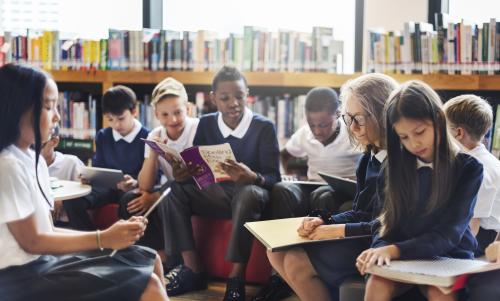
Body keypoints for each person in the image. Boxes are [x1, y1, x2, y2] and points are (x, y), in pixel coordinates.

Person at [0, 63, 168, 301]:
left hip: (44, 263)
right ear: (19, 110)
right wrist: (103, 238)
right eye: (49, 107)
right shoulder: (7, 166)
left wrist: (106, 237)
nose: (57, 116)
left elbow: (47, 231)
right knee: (148, 286)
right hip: (19, 278)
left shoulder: (33, 159)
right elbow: (32, 241)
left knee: (150, 259)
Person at [265, 73, 398, 301]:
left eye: (358, 119)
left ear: (380, 115)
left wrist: (336, 230)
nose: (353, 128)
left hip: (382, 243)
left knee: (296, 262)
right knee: (275, 251)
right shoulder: (369, 157)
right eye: (348, 119)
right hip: (363, 234)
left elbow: (389, 226)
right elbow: (359, 211)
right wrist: (324, 221)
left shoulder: (398, 162)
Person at [160, 66, 280, 301]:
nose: (233, 103)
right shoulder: (206, 124)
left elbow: (274, 177)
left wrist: (252, 176)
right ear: (213, 98)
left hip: (251, 197)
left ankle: (237, 277)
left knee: (248, 193)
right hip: (217, 194)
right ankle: (192, 268)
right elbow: (200, 171)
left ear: (248, 94)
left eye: (239, 96)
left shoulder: (263, 127)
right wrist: (186, 174)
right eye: (225, 98)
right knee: (173, 190)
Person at [357, 81, 483, 301]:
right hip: (404, 258)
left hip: (449, 258)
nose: (414, 143)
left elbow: (449, 234)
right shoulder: (392, 167)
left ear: (438, 119)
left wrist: (394, 250)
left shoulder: (468, 168)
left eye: (419, 132)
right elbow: (382, 222)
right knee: (377, 284)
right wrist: (378, 250)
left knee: (439, 293)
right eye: (404, 137)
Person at [120, 77, 199, 261]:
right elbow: (145, 185)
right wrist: (155, 152)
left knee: (167, 197)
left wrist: (156, 196)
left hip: (194, 190)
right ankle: (158, 257)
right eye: (164, 115)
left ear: (187, 109)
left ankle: (175, 260)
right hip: (170, 189)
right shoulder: (155, 134)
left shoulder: (198, 128)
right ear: (156, 114)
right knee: (130, 201)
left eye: (178, 112)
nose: (172, 120)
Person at [63, 85, 149, 230]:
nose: (116, 124)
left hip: (131, 189)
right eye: (110, 119)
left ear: (134, 111)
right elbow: (99, 167)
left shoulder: (147, 137)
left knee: (130, 200)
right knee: (72, 199)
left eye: (121, 118)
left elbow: (153, 175)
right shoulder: (104, 136)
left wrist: (135, 182)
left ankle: (125, 245)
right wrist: (90, 177)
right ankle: (91, 240)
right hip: (107, 188)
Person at [271, 86, 362, 219]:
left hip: (342, 191)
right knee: (281, 189)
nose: (317, 131)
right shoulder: (304, 134)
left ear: (337, 114)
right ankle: (281, 238)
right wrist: (288, 173)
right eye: (312, 125)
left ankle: (320, 236)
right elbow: (285, 154)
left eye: (323, 125)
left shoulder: (352, 133)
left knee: (323, 195)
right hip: (312, 186)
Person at [444, 94, 500, 256]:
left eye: (443, 129)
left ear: (458, 133)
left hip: (483, 240)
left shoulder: (477, 168)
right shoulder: (491, 161)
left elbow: (471, 228)